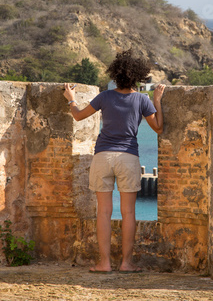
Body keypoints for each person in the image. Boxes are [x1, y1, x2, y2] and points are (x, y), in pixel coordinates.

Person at [64, 49, 165, 273]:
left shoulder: (104, 97)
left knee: (104, 212)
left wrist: (71, 100)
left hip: (102, 157)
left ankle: (104, 263)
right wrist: (156, 100)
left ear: (115, 75)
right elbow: (158, 127)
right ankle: (126, 263)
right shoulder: (141, 100)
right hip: (128, 157)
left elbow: (79, 116)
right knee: (129, 212)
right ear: (137, 77)